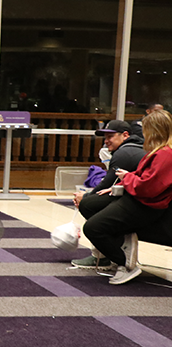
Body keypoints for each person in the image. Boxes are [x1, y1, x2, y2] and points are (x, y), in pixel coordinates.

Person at [81, 109, 172, 285]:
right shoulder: (158, 151)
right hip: (137, 198)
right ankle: (120, 244)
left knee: (93, 228)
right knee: (89, 205)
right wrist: (122, 184)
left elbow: (147, 187)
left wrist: (127, 178)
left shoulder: (165, 154)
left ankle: (125, 263)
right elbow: (142, 175)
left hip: (145, 204)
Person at [72, 119, 145, 268]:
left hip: (143, 206)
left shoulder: (124, 153)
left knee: (89, 206)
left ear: (125, 135)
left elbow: (106, 184)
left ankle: (113, 258)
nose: (106, 141)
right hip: (142, 201)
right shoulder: (136, 148)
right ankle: (106, 254)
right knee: (93, 201)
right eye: (105, 137)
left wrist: (84, 198)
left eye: (110, 136)